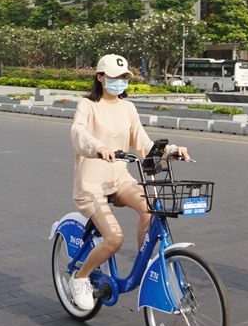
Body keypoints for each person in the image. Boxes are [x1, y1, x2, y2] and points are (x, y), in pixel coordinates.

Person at [68, 54, 192, 311]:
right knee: (114, 239)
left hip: (120, 179)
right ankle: (79, 279)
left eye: (124, 77)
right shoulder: (88, 105)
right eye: (115, 77)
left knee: (151, 207)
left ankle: (144, 267)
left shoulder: (128, 108)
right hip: (92, 184)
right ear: (101, 78)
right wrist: (98, 147)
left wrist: (171, 150)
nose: (120, 82)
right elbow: (78, 134)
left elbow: (144, 145)